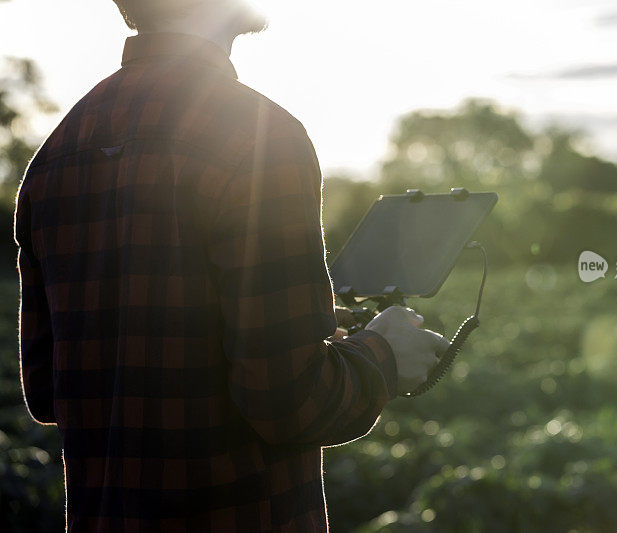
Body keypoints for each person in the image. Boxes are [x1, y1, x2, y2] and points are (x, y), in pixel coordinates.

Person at [14, 1, 449, 531]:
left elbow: (45, 390)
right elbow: (291, 399)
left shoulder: (57, 154)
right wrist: (383, 354)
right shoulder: (259, 137)